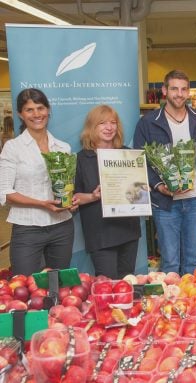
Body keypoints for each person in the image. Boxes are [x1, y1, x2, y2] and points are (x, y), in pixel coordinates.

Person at [133, 70, 196, 275]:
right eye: (174, 88)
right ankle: (172, 305)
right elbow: (140, 160)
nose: (179, 94)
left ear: (189, 92)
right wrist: (158, 185)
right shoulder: (149, 122)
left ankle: (192, 304)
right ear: (165, 90)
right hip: (165, 201)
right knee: (170, 261)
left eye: (184, 89)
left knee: (193, 261)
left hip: (195, 198)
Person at [0, 88, 76, 275]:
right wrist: (42, 204)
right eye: (29, 110)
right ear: (20, 114)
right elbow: (5, 193)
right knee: (26, 284)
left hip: (62, 227)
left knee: (59, 286)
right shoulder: (13, 148)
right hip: (28, 228)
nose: (36, 114)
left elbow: (66, 187)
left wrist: (71, 202)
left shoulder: (63, 147)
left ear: (48, 110)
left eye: (40, 108)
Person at [74, 105, 141, 279]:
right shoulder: (81, 159)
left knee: (127, 283)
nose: (109, 127)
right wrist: (93, 196)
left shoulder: (128, 155)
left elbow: (137, 192)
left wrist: (139, 191)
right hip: (100, 234)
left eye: (113, 123)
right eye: (102, 123)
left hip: (128, 231)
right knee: (107, 285)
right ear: (91, 127)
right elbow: (73, 198)